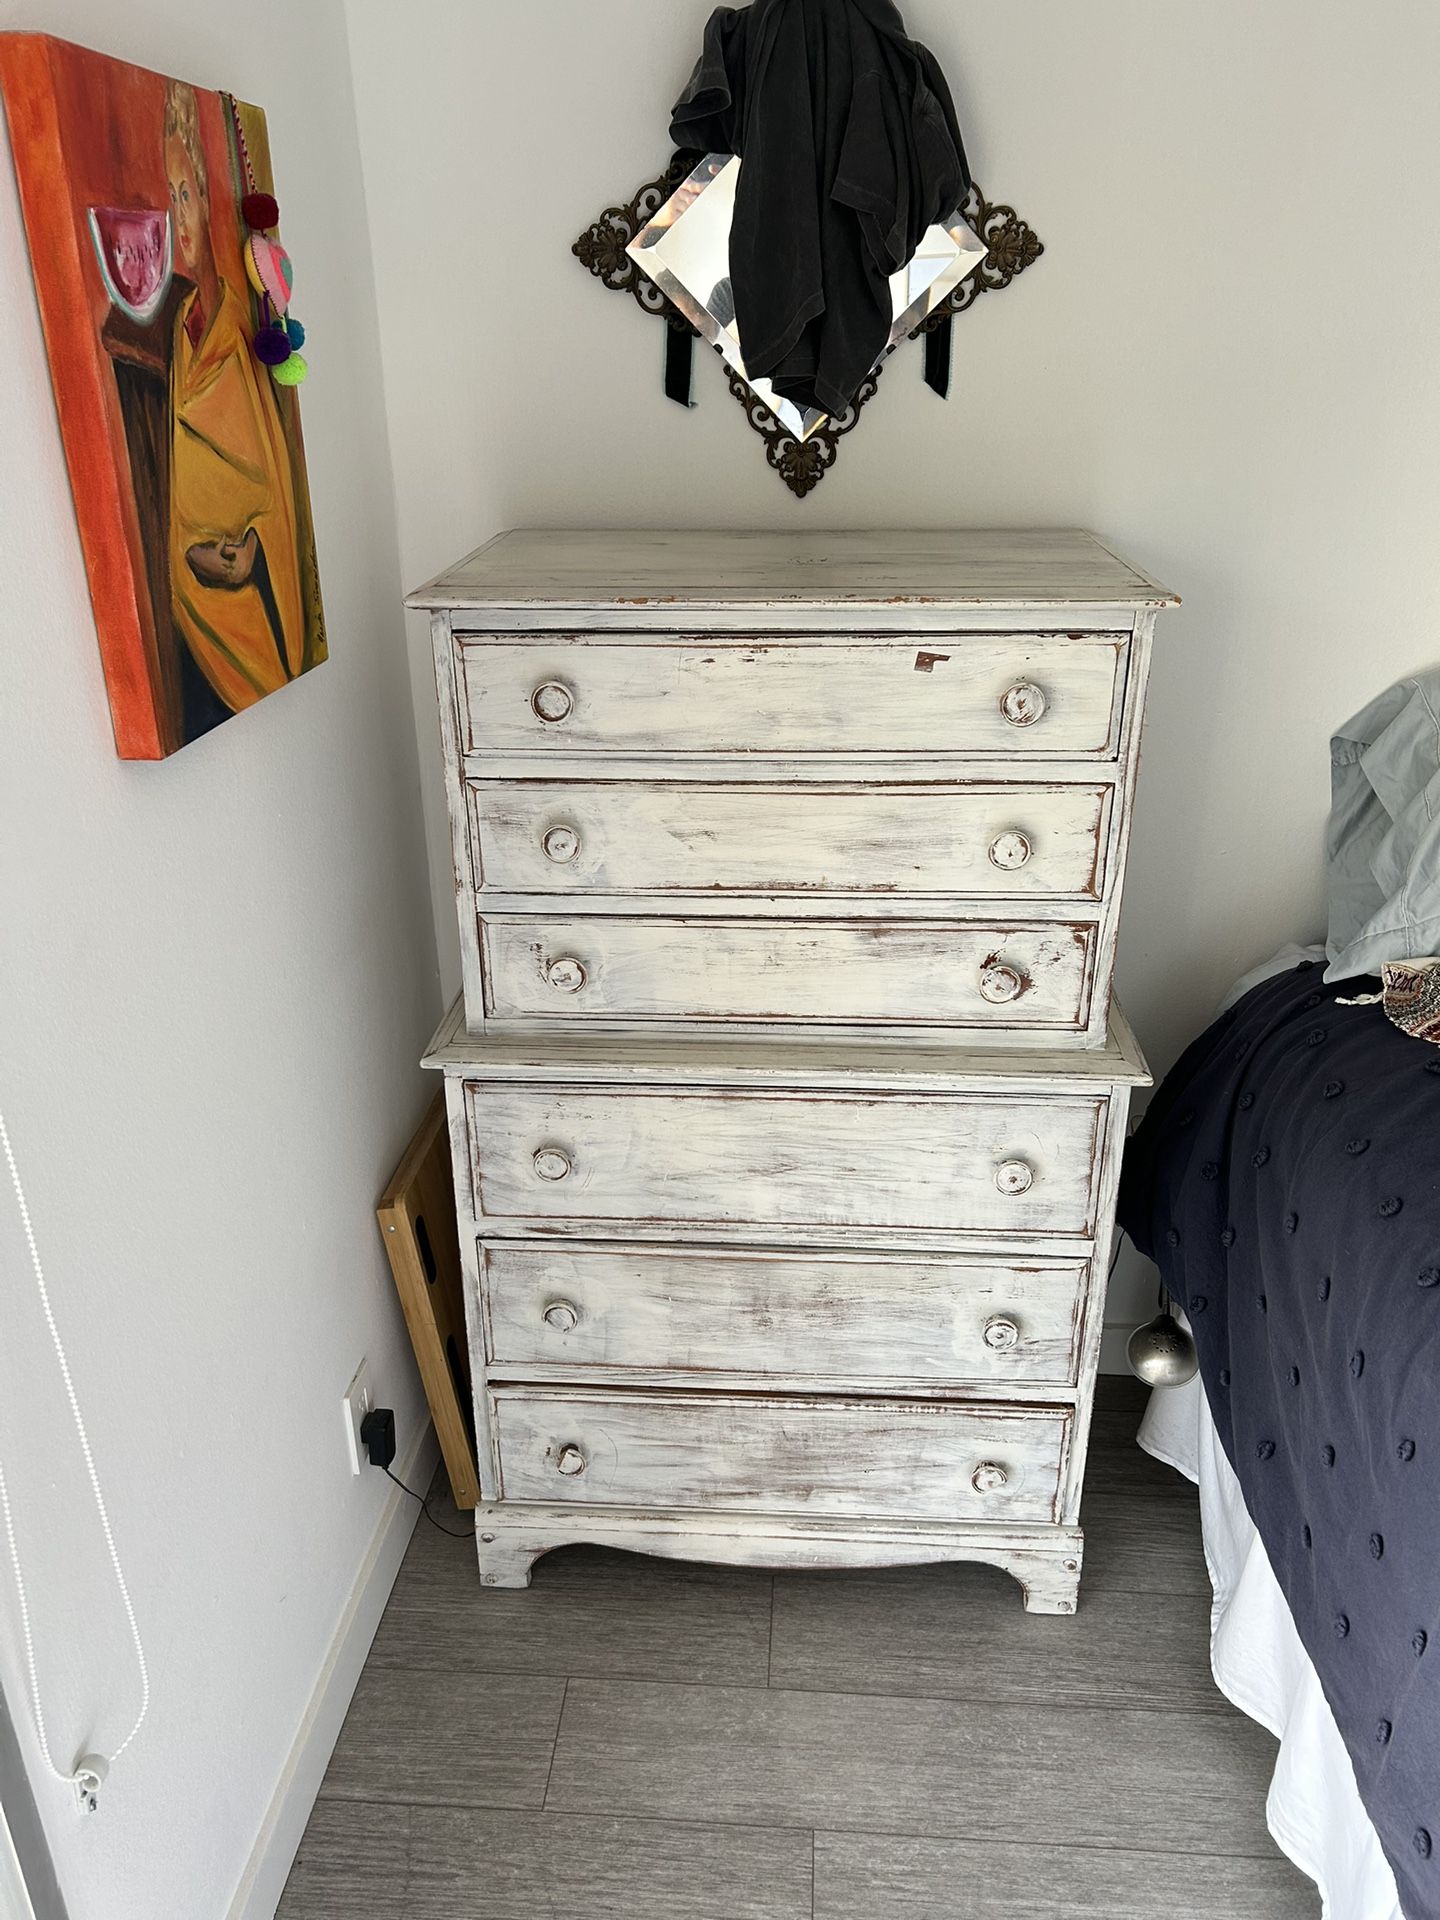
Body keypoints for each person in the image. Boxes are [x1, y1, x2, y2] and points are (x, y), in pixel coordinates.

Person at [163, 80, 306, 717]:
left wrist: (249, 544)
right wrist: (193, 550)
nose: (178, 214)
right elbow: (185, 495)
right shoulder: (182, 326)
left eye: (188, 193)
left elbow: (268, 483)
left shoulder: (240, 326)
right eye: (170, 198)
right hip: (199, 602)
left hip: (251, 603)